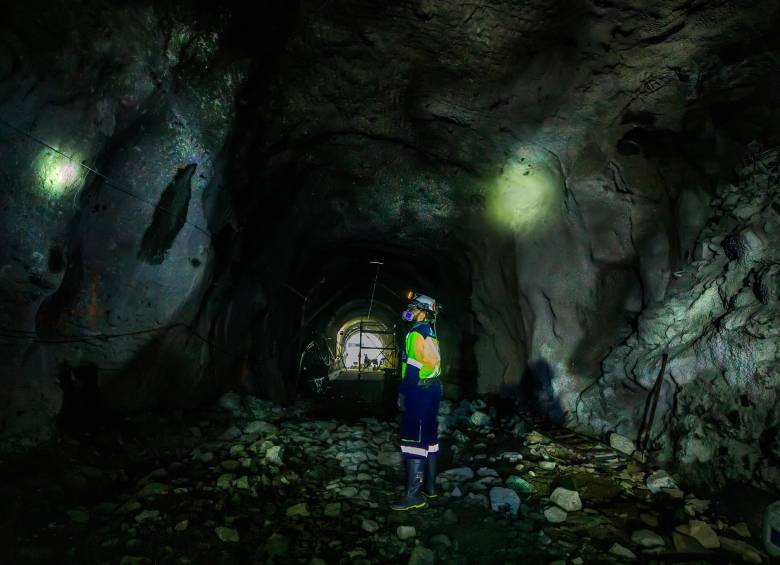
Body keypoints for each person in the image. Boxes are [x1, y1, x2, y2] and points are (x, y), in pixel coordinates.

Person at [391, 292, 442, 511]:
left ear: (424, 312)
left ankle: (413, 496)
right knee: (429, 439)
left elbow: (412, 368)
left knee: (414, 441)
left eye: (414, 307)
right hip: (432, 391)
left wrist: (403, 393)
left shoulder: (415, 335)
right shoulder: (430, 333)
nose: (410, 311)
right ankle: (430, 488)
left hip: (418, 392)